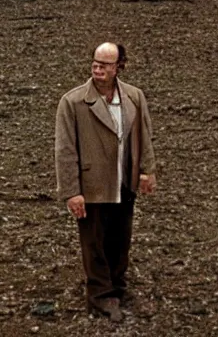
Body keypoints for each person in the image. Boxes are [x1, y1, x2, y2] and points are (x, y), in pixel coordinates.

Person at [55, 42, 157, 322]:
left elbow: (144, 136)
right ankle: (100, 296)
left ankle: (118, 287)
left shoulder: (134, 96)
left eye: (105, 64)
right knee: (94, 243)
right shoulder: (73, 102)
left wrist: (147, 171)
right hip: (92, 185)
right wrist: (71, 192)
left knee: (120, 239)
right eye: (95, 62)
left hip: (125, 182)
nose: (97, 68)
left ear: (119, 67)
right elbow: (65, 150)